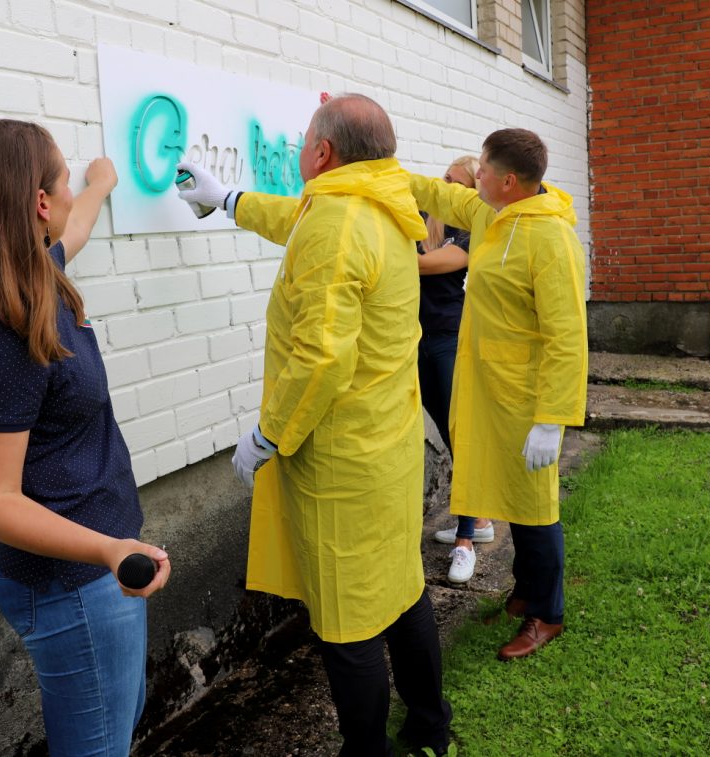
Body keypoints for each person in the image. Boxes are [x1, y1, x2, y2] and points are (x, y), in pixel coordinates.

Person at [177, 94, 452, 756]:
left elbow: (323, 356)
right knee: (402, 589)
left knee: (347, 622)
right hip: (388, 443)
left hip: (340, 462)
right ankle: (429, 724)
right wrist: (229, 199)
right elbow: (299, 219)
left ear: (323, 154)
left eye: (305, 141)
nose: (299, 150)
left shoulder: (337, 219)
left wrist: (269, 433)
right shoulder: (381, 201)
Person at [0, 119, 170, 756]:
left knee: (117, 724)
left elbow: (75, 228)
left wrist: (101, 182)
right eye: (63, 184)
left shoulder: (34, 273)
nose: (68, 197)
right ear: (37, 204)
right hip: (75, 583)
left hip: (94, 570)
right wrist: (113, 551)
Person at [408, 128, 588, 660]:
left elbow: (567, 334)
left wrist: (552, 418)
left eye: (482, 168)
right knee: (508, 497)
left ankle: (547, 614)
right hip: (491, 388)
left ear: (509, 181)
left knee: (534, 507)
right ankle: (525, 591)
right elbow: (440, 195)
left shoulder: (550, 239)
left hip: (527, 398)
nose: (475, 175)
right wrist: (368, 167)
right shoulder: (493, 213)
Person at [415, 155, 496, 584]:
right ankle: (479, 520)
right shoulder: (424, 219)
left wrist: (386, 261)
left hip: (450, 339)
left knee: (462, 435)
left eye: (455, 181)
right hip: (417, 339)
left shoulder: (471, 229)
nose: (443, 185)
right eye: (443, 177)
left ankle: (466, 543)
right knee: (449, 434)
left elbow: (442, 264)